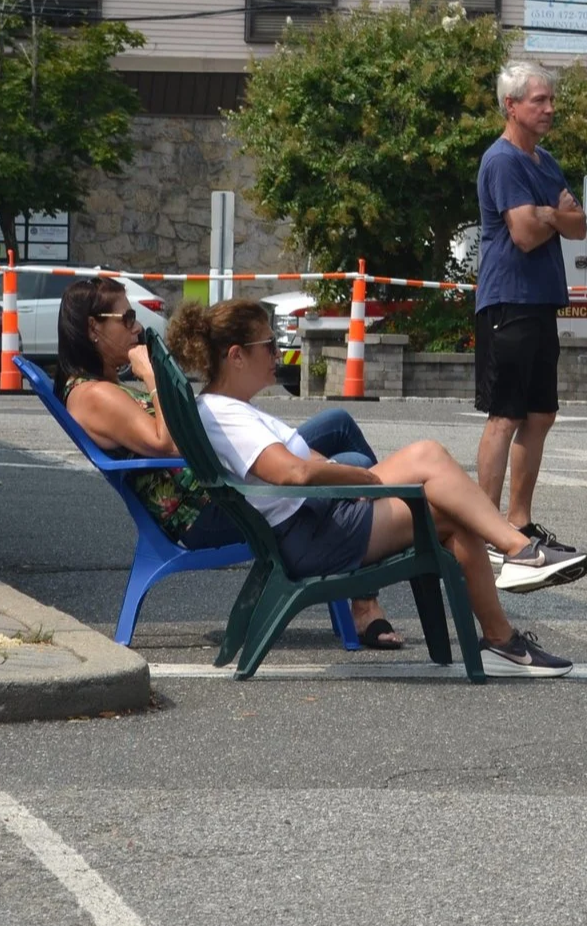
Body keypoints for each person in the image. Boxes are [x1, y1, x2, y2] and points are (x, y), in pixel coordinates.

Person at [166, 298, 587, 677]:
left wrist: (340, 471)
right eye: (269, 346)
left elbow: (301, 463)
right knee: (428, 458)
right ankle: (517, 556)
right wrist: (355, 477)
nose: (278, 354)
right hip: (312, 532)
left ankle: (503, 631)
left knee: (453, 514)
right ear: (236, 356)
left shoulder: (235, 409)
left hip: (316, 518)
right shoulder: (225, 415)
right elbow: (291, 474)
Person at [54, 276, 408, 648]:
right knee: (350, 461)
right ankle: (365, 597)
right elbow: (167, 442)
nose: (137, 327)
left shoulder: (108, 385)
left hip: (216, 479)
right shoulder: (92, 395)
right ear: (94, 326)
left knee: (339, 425)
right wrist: (152, 374)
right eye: (126, 319)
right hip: (211, 505)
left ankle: (363, 591)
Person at [472, 60, 585, 560]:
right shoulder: (502, 161)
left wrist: (550, 215)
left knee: (540, 414)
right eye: (538, 100)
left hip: (541, 301)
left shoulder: (547, 161)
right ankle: (483, 528)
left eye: (550, 99)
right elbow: (522, 233)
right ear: (510, 105)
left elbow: (579, 225)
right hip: (507, 300)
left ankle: (519, 523)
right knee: (504, 415)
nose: (549, 108)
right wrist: (550, 214)